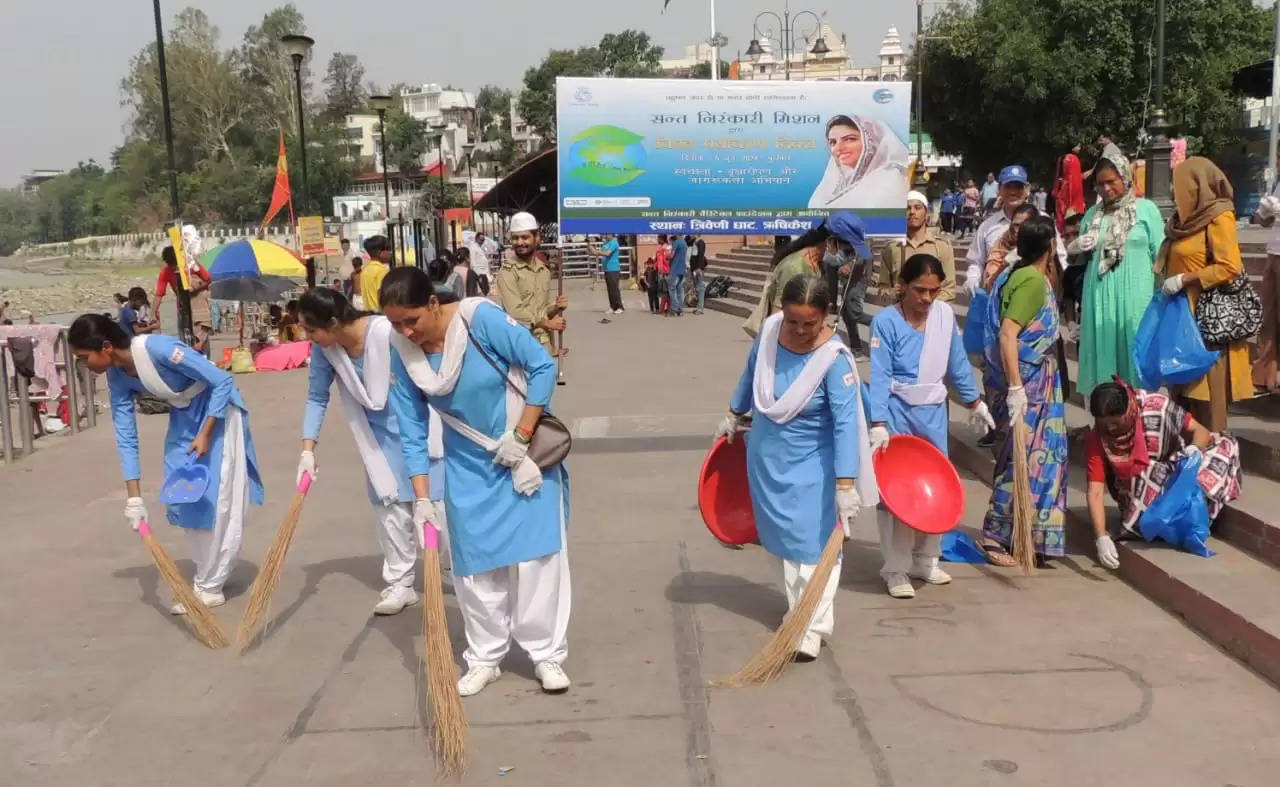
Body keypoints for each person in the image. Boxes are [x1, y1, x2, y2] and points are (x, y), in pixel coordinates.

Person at [382, 267, 572, 696]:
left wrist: (521, 436)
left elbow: (541, 367)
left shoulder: (478, 319)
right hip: (467, 469)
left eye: (411, 319)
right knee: (475, 570)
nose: (405, 331)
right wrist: (422, 500)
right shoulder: (403, 351)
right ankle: (485, 655)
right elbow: (411, 429)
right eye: (394, 323)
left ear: (432, 303)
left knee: (538, 560)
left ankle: (546, 654)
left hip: (523, 459)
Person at [715, 275, 876, 659]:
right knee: (781, 544)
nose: (801, 330)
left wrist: (845, 484)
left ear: (826, 318)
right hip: (767, 459)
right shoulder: (770, 333)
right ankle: (797, 609)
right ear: (781, 313)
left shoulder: (834, 363)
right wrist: (734, 413)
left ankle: (813, 626)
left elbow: (845, 425)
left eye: (811, 323)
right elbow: (750, 373)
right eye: (794, 321)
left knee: (815, 547)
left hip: (812, 468)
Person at [68, 313, 263, 612]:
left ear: (106, 346)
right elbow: (126, 436)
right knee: (184, 495)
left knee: (219, 495)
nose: (84, 365)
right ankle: (207, 572)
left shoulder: (158, 349)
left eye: (84, 357)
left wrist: (207, 433)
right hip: (184, 418)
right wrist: (134, 498)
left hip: (217, 410)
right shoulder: (118, 377)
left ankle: (210, 585)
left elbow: (223, 381)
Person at [868, 254, 994, 597]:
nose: (926, 299)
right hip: (896, 412)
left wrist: (974, 401)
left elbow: (956, 363)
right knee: (897, 491)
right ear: (903, 287)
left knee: (935, 484)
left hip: (933, 412)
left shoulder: (943, 317)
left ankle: (927, 559)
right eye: (920, 291)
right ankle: (895, 567)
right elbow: (879, 375)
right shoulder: (886, 323)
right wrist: (877, 421)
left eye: (933, 292)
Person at [297, 288, 424, 615]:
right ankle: (401, 583)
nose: (307, 336)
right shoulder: (327, 351)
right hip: (375, 437)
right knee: (390, 510)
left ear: (335, 322)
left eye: (311, 329)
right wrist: (307, 449)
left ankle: (463, 577)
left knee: (435, 509)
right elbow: (316, 397)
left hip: (420, 430)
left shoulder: (387, 333)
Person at [981, 215, 1068, 566]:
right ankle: (996, 536)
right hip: (1029, 385)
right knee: (1024, 461)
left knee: (1034, 460)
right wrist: (1017, 386)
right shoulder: (1031, 281)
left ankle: (1028, 537)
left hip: (1033, 381)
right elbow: (1008, 334)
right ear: (1050, 246)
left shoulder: (1013, 275)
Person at [1085, 380, 1242, 570]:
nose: (1109, 429)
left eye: (1114, 423)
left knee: (1223, 448)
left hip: (1175, 468)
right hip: (1138, 491)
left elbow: (1201, 432)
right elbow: (1095, 490)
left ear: (1127, 411)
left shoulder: (1156, 406)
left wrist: (1194, 449)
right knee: (1150, 484)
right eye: (1104, 425)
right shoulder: (1097, 439)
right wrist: (1101, 537)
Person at [1158, 157, 1252, 433]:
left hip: (1207, 324)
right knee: (1184, 402)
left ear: (1198, 186)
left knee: (1206, 404)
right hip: (1181, 319)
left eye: (1181, 185)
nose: (1175, 192)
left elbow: (1229, 266)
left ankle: (1212, 467)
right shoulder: (1182, 221)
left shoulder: (1219, 216)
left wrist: (1187, 278)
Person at [1074, 150, 1162, 395]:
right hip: (1100, 295)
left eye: (1111, 181)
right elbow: (1081, 254)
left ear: (1125, 177)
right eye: (1100, 184)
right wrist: (1077, 246)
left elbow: (1161, 255)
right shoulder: (1093, 214)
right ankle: (1106, 421)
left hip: (1136, 296)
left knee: (1134, 352)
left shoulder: (1146, 210)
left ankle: (1142, 422)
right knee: (1104, 355)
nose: (1106, 188)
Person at [766, 213, 872, 354]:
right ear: (830, 242)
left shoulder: (816, 265)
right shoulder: (795, 267)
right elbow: (777, 320)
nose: (846, 256)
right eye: (845, 251)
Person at [965, 164, 1065, 296]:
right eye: (1008, 186)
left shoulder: (1043, 221)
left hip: (1039, 298)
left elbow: (1060, 259)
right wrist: (972, 279)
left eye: (1018, 186)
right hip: (998, 303)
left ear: (1027, 189)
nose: (1013, 192)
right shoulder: (987, 227)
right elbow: (976, 261)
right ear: (999, 190)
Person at [495, 212, 568, 356]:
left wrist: (556, 308)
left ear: (537, 238)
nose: (520, 242)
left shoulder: (544, 270)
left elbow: (541, 310)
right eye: (515, 238)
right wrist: (548, 324)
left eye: (525, 237)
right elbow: (515, 312)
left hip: (545, 344)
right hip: (521, 345)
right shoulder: (508, 271)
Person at [808, 115, 910, 209]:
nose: (838, 148)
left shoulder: (890, 179)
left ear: (871, 141)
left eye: (849, 139)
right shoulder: (833, 185)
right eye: (833, 142)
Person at [879, 190, 957, 301]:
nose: (912, 212)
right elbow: (883, 289)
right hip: (901, 314)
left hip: (931, 314)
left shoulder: (942, 247)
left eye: (917, 207)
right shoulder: (891, 248)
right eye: (907, 208)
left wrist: (924, 300)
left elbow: (949, 291)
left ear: (927, 213)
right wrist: (893, 293)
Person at [1252, 150, 1280, 393]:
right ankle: (1264, 378)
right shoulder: (1278, 183)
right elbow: (1262, 220)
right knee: (1268, 316)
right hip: (1274, 253)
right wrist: (1265, 211)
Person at [154, 244, 213, 352]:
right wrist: (154, 311)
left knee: (201, 338)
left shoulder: (192, 265)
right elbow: (159, 294)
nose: (173, 267)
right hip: (182, 309)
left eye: (175, 264)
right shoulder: (166, 272)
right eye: (171, 265)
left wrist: (195, 289)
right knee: (185, 340)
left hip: (197, 307)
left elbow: (208, 280)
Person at [982, 204, 1038, 291]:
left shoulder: (1042, 245)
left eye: (1024, 225)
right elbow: (990, 284)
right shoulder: (1003, 243)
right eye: (1016, 225)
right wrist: (1006, 265)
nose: (1018, 230)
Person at [1060, 213, 1088, 323]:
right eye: (1067, 236)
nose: (1071, 240)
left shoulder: (1097, 264)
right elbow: (1068, 298)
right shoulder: (1068, 271)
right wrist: (1071, 324)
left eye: (1076, 234)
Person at [1054, 143, 1087, 232]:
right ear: (1072, 147)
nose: (1079, 148)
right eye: (1078, 146)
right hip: (1071, 194)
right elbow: (1073, 180)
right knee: (1072, 223)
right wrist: (1076, 201)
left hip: (1061, 192)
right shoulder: (1073, 158)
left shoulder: (1061, 158)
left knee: (1061, 219)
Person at [588, 234, 624, 314]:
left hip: (614, 269)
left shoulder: (614, 243)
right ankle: (612, 306)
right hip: (607, 269)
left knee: (614, 289)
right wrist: (590, 247)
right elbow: (597, 253)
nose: (605, 235)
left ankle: (619, 307)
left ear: (611, 234)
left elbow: (607, 253)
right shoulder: (605, 244)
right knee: (610, 289)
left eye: (607, 234)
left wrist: (597, 251)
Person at [360, 236, 393, 313]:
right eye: (388, 249)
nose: (391, 252)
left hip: (370, 314)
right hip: (381, 314)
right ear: (379, 252)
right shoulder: (381, 271)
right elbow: (382, 295)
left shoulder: (365, 270)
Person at [667, 233, 688, 317]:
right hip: (682, 269)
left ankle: (674, 309)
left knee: (672, 288)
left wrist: (667, 256)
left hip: (675, 269)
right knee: (680, 289)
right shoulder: (684, 243)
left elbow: (671, 255)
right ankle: (680, 309)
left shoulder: (676, 242)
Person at [690, 235, 709, 314]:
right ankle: (698, 306)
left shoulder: (701, 242)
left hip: (698, 269)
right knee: (697, 287)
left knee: (700, 288)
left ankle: (700, 308)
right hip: (694, 268)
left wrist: (699, 268)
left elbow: (701, 256)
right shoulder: (694, 242)